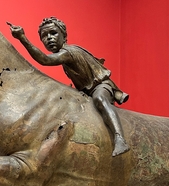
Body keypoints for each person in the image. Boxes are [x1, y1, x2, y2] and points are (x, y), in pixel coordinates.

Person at [7, 17, 130, 156]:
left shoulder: (68, 52)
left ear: (64, 36)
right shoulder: (65, 55)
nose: (49, 38)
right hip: (85, 91)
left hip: (100, 86)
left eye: (53, 33)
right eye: (44, 36)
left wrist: (22, 38)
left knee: (100, 99)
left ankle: (120, 139)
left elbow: (45, 60)